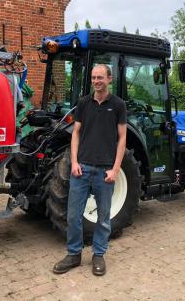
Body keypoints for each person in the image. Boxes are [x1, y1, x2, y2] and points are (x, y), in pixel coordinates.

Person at [53, 64, 127, 276]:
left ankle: (98, 255)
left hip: (105, 172)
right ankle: (74, 254)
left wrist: (115, 169)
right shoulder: (84, 103)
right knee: (73, 216)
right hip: (82, 169)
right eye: (94, 77)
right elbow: (76, 133)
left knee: (103, 218)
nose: (96, 81)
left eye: (100, 77)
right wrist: (74, 162)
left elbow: (122, 138)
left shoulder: (118, 105)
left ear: (109, 79)